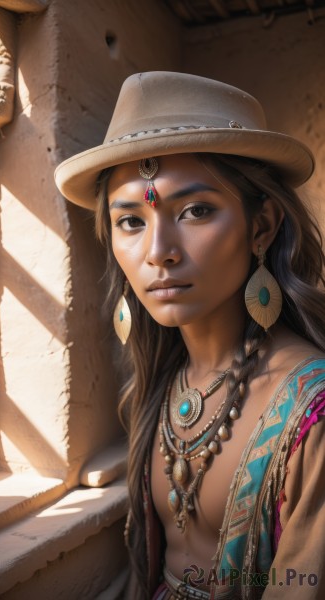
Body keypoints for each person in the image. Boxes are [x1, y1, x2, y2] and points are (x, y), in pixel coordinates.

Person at [55, 72, 325, 599]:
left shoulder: (312, 413)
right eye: (130, 221)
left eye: (196, 211)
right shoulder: (165, 382)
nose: (159, 251)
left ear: (262, 226)